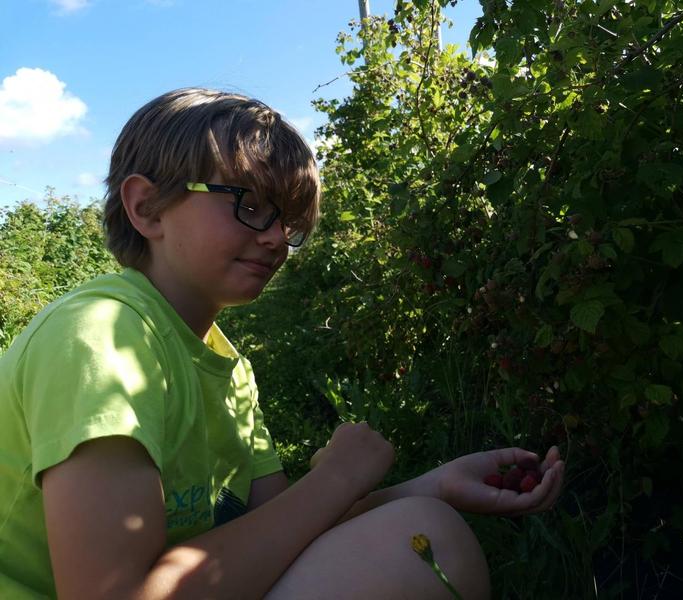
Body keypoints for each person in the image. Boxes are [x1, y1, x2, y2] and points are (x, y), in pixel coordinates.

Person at [0, 88, 565, 599]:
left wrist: (435, 484)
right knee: (423, 538)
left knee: (423, 521)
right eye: (249, 204)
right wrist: (338, 476)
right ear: (146, 207)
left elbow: (286, 528)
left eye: (288, 222)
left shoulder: (227, 366)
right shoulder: (102, 338)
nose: (276, 239)